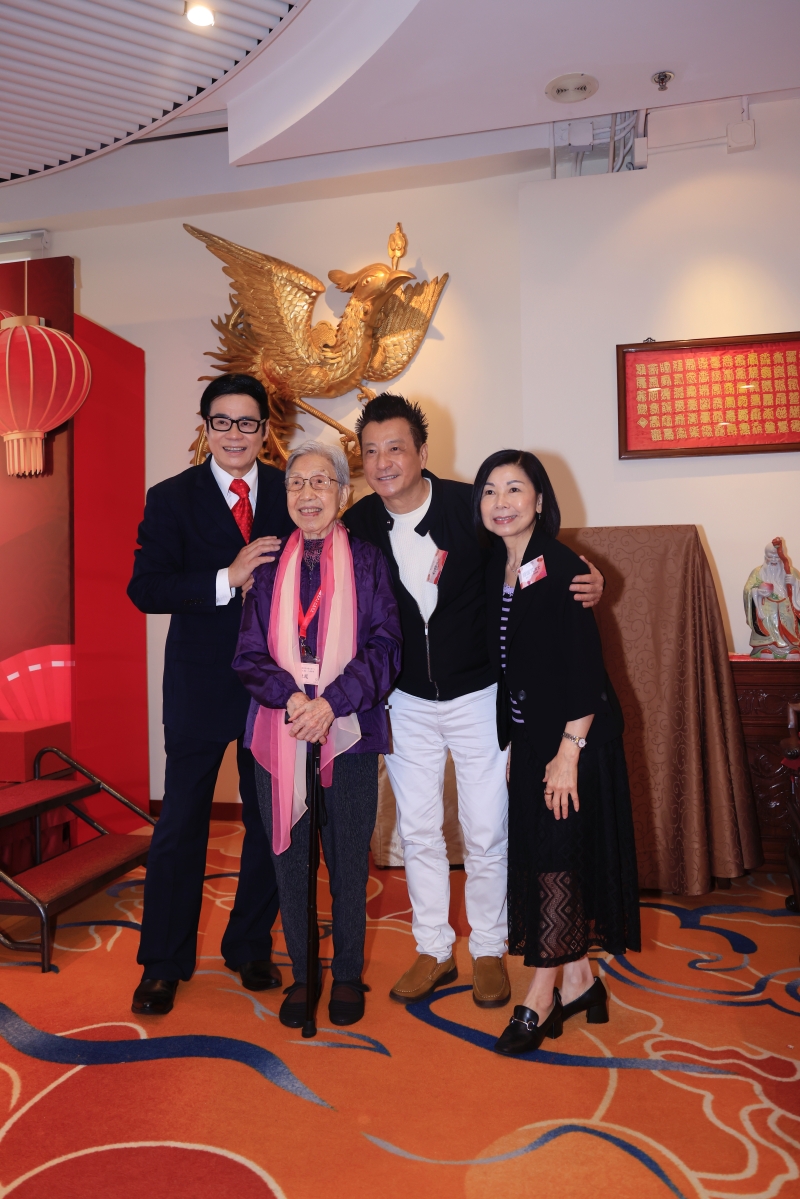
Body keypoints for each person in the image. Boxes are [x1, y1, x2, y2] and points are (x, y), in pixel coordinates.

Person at [342, 394, 605, 1009]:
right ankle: (433, 947)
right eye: (371, 451)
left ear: (421, 452)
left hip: (479, 695)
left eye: (395, 448)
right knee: (418, 829)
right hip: (404, 699)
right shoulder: (358, 524)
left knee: (486, 830)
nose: (383, 462)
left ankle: (488, 947)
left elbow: (532, 551)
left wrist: (591, 576)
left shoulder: (471, 506)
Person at [127, 374, 295, 1016]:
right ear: (205, 428)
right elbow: (146, 588)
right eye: (221, 421)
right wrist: (227, 577)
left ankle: (249, 944)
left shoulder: (289, 489)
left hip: (272, 685)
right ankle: (162, 963)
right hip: (198, 683)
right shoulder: (171, 497)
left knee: (268, 821)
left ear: (264, 431)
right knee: (182, 823)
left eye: (247, 422)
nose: (234, 434)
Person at [474, 449, 641, 1055]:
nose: (501, 502)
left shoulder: (563, 565)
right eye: (490, 491)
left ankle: (540, 995)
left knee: (553, 861)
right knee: (547, 860)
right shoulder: (496, 566)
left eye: (515, 489)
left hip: (574, 740)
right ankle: (580, 982)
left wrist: (568, 753)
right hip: (531, 740)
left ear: (540, 500)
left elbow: (585, 671)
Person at [233, 441, 402, 1028]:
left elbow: (386, 647)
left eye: (321, 482)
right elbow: (249, 654)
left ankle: (348, 973)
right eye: (296, 484)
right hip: (279, 727)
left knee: (348, 859)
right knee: (291, 860)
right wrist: (293, 701)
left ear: (343, 493)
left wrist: (330, 704)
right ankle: (305, 974)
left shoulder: (368, 561)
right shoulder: (266, 565)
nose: (308, 494)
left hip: (349, 727)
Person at [744, 537, 800, 659]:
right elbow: (748, 589)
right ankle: (765, 646)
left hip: (786, 606)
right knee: (766, 618)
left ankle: (791, 647)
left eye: (777, 557)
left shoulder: (791, 572)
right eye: (771, 557)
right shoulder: (758, 572)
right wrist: (757, 591)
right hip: (765, 606)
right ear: (765, 556)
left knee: (788, 618)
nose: (774, 560)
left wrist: (795, 583)